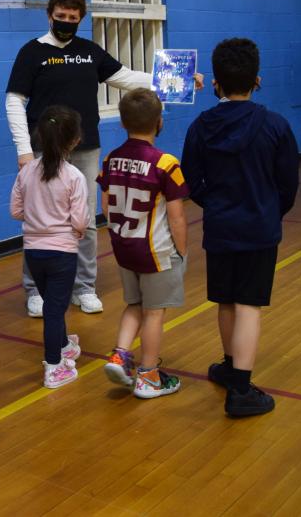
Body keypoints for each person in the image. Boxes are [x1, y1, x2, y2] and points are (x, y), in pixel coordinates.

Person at [5, 0, 201, 317]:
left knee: (84, 219)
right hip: (43, 149)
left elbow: (126, 78)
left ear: (81, 18)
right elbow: (14, 100)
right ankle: (35, 289)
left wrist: (178, 77)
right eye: (60, 16)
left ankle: (83, 287)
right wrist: (24, 150)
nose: (66, 22)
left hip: (85, 146)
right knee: (40, 220)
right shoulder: (32, 52)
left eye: (72, 17)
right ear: (49, 15)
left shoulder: (90, 51)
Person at [182, 38, 299, 417]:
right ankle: (242, 390)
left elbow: (191, 179)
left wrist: (215, 205)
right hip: (259, 229)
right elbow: (288, 186)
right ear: (257, 81)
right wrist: (267, 210)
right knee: (248, 304)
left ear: (215, 83)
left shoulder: (200, 126)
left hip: (220, 228)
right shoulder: (276, 126)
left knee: (227, 300)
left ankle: (231, 367)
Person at [98, 89, 189, 399]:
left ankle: (120, 355)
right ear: (159, 122)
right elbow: (177, 218)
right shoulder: (166, 163)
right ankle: (148, 375)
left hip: (124, 247)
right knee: (154, 312)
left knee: (133, 304)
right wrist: (183, 250)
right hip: (156, 251)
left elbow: (107, 206)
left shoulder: (110, 159)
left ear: (123, 123)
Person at [10, 105, 89, 388]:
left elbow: (16, 211)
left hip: (33, 252)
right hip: (62, 253)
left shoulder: (27, 172)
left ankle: (65, 345)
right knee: (55, 310)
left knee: (53, 304)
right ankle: (54, 366)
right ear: (74, 140)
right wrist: (74, 229)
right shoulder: (74, 177)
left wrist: (37, 216)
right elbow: (80, 220)